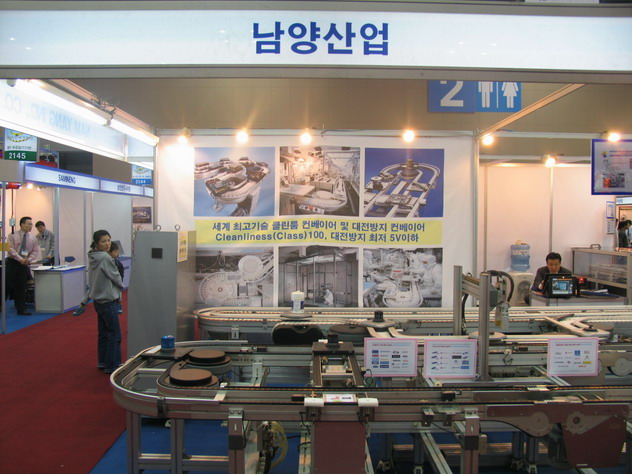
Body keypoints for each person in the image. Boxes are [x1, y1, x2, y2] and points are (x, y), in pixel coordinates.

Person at [77, 230, 124, 374]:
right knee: (114, 334)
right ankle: (113, 365)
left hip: (98, 301)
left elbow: (92, 282)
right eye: (103, 241)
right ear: (97, 243)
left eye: (109, 240)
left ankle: (103, 362)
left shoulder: (93, 257)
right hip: (108, 301)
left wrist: (84, 301)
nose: (107, 243)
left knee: (103, 334)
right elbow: (116, 278)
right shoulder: (105, 258)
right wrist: (121, 287)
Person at [6, 217, 41, 315]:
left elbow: (35, 251)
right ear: (22, 224)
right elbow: (10, 249)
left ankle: (21, 309)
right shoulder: (12, 235)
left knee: (21, 286)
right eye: (28, 224)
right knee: (7, 285)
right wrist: (20, 259)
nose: (31, 226)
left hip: (24, 264)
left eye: (31, 224)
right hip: (12, 262)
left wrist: (28, 260)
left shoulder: (33, 238)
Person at [108, 241, 125, 314]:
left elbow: (120, 276)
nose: (117, 254)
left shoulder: (118, 264)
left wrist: (119, 282)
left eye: (117, 252)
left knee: (117, 289)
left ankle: (118, 303)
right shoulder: (104, 263)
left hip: (116, 282)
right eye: (115, 252)